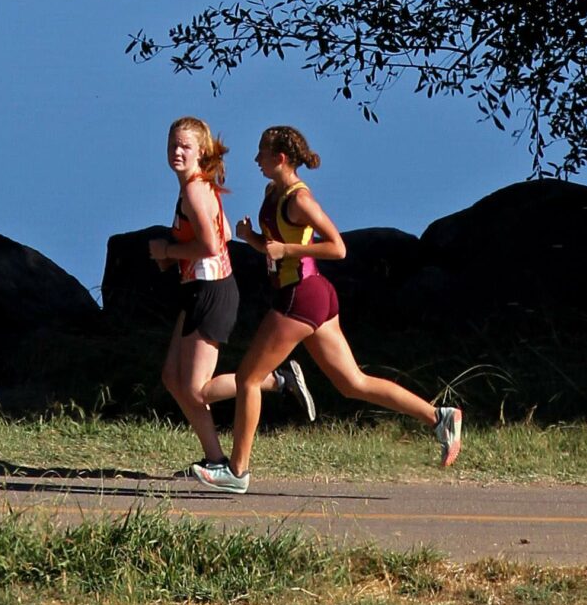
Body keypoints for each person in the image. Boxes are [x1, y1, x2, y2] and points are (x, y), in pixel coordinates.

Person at [191, 123, 462, 493]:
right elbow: (278, 246)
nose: (256, 159)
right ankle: (439, 417)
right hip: (310, 295)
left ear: (280, 158)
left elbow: (337, 247)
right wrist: (253, 239)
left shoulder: (300, 199)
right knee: (353, 383)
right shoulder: (274, 192)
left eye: (262, 153)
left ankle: (237, 472)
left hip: (302, 294)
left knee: (249, 379)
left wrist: (287, 251)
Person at [148, 117, 313, 469]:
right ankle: (214, 459)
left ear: (201, 151)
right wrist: (174, 254)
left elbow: (210, 246)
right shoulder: (196, 185)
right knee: (172, 378)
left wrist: (166, 251)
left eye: (185, 146)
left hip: (212, 291)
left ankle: (277, 380)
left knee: (196, 389)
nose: (177, 151)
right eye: (172, 144)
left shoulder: (194, 189)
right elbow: (216, 235)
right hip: (199, 288)